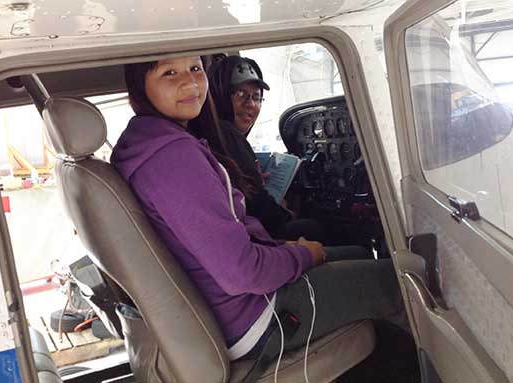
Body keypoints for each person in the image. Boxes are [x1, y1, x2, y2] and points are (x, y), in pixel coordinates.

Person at [111, 56, 406, 363]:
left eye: (195, 68)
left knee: (358, 255)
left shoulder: (143, 146)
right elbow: (242, 273)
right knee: (397, 282)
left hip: (223, 308)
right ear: (140, 88)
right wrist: (306, 254)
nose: (189, 82)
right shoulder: (173, 157)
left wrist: (285, 248)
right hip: (253, 317)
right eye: (169, 72)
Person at [207, 55, 329, 242]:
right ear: (220, 95)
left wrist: (254, 178)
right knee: (317, 228)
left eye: (256, 97)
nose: (250, 105)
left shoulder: (216, 132)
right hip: (251, 236)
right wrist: (287, 215)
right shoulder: (227, 134)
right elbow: (258, 206)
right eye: (240, 95)